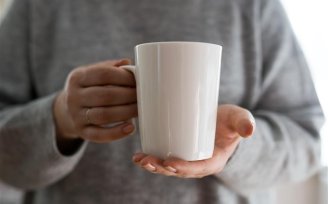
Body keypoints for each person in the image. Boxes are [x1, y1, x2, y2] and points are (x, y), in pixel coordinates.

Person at [0, 0, 324, 203]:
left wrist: (237, 148)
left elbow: (307, 137)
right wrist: (59, 119)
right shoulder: (38, 7)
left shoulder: (252, 5)